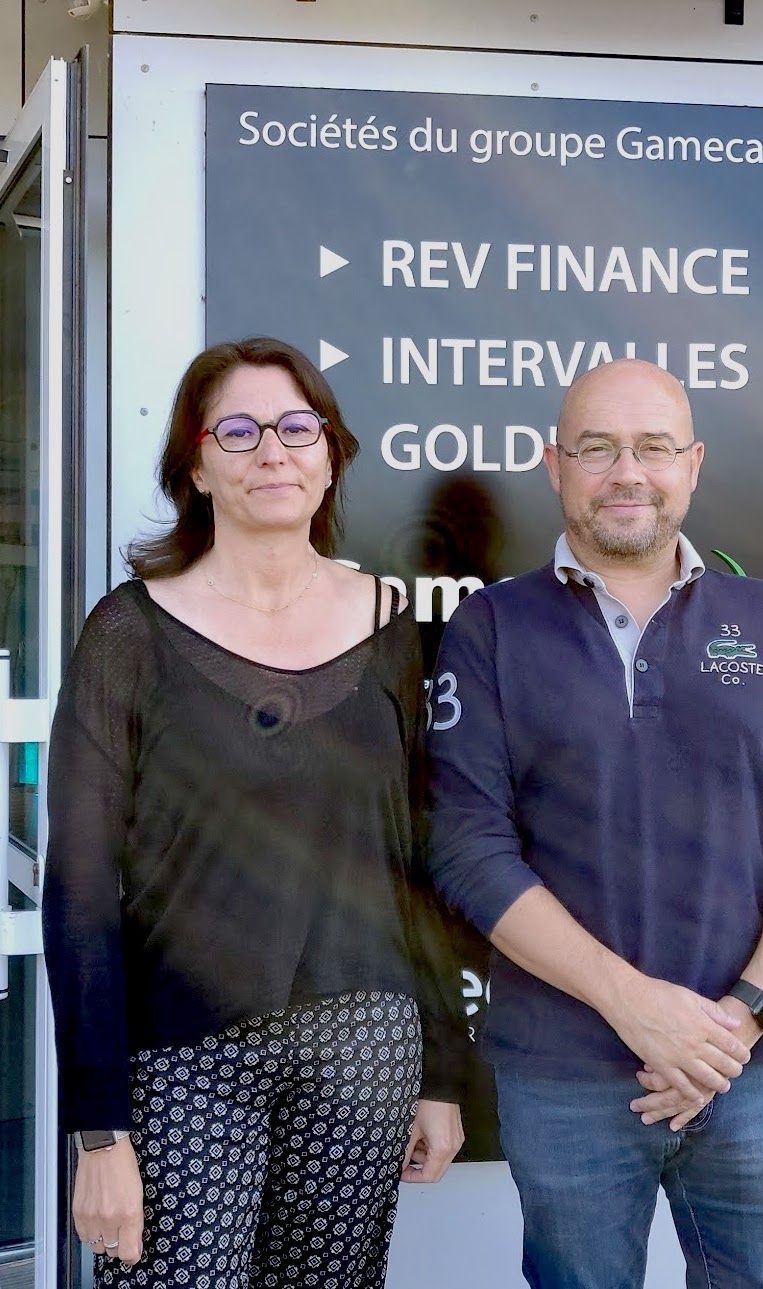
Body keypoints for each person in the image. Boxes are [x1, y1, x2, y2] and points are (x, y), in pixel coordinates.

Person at [426, 358, 763, 1289]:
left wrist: (737, 1020)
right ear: (555, 465)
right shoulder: (490, 628)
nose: (627, 472)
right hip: (565, 1077)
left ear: (692, 464)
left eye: (654, 447)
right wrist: (635, 1006)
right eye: (597, 448)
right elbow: (467, 847)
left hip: (747, 1069)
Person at [42, 336, 466, 1288]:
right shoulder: (129, 633)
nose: (271, 450)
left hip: (364, 1047)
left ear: (330, 456)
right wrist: (99, 1130)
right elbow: (80, 888)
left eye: (296, 427)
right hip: (182, 1058)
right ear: (196, 466)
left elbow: (418, 861)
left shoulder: (392, 626)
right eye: (237, 430)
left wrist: (443, 1069)